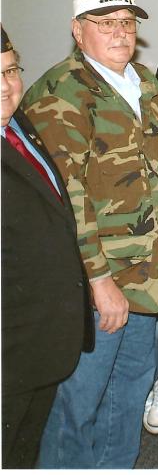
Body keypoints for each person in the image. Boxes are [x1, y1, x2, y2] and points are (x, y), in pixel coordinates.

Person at [22, 0, 158, 468]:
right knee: (78, 402)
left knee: (129, 390)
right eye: (105, 23)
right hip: (97, 282)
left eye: (126, 23)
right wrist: (99, 281)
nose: (119, 32)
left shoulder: (144, 82)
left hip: (146, 274)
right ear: (77, 30)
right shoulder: (61, 93)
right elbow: (67, 198)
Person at [1, 27, 89, 469]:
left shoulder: (20, 125)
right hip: (9, 344)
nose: (6, 86)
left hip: (39, 338)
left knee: (24, 449)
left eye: (10, 70)